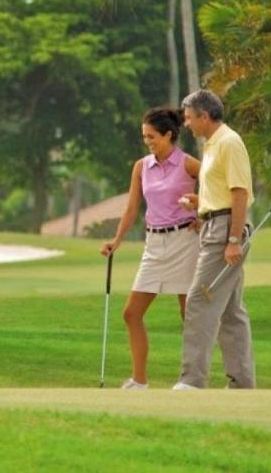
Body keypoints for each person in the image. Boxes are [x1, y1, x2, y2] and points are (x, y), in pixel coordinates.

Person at [100, 106, 201, 389]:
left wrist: (203, 214)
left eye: (152, 136)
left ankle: (191, 378)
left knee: (189, 315)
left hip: (184, 242)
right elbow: (132, 207)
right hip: (154, 244)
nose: (148, 142)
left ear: (169, 135)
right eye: (145, 137)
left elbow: (217, 189)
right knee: (131, 313)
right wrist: (116, 240)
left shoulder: (189, 164)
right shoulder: (141, 166)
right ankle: (140, 380)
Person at [173, 89, 256, 390]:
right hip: (214, 225)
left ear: (204, 117)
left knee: (199, 299)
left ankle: (192, 380)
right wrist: (200, 202)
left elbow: (239, 194)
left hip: (224, 232)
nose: (187, 124)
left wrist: (233, 239)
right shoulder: (213, 144)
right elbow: (222, 191)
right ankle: (242, 383)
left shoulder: (229, 143)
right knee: (231, 312)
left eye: (189, 118)